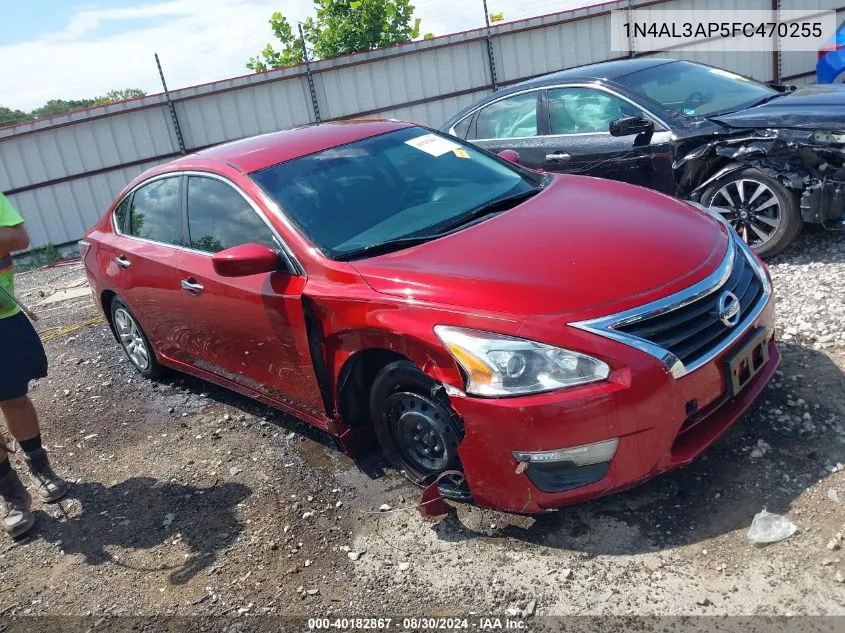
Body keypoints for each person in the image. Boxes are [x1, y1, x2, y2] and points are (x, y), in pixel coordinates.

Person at [0, 191, 66, 538]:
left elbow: (17, 236)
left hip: (2, 319)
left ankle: (39, 467)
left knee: (13, 398)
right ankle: (11, 493)